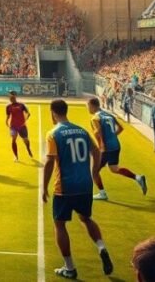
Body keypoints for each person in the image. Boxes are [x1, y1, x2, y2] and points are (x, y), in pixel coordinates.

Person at [42, 98, 112, 279]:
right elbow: (96, 151)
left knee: (59, 224)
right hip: (85, 185)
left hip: (64, 187)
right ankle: (101, 247)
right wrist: (94, 170)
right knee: (86, 218)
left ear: (52, 112)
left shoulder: (53, 134)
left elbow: (50, 161)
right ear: (66, 111)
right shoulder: (82, 131)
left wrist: (44, 187)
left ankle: (70, 267)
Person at [87, 98, 147, 200]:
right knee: (114, 168)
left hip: (106, 148)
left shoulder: (95, 118)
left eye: (88, 106)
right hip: (115, 145)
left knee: (94, 171)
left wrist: (102, 146)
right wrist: (112, 136)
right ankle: (138, 178)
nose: (87, 108)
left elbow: (98, 132)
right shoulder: (109, 115)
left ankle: (102, 193)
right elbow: (121, 128)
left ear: (92, 106)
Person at [5, 92, 33, 162]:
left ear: (15, 98)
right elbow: (8, 116)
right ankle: (16, 156)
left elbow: (28, 113)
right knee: (13, 139)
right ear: (9, 99)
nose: (12, 99)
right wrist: (6, 121)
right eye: (11, 98)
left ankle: (28, 149)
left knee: (26, 140)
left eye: (13, 98)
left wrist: (26, 119)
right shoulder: (8, 107)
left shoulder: (21, 105)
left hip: (22, 126)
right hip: (13, 126)